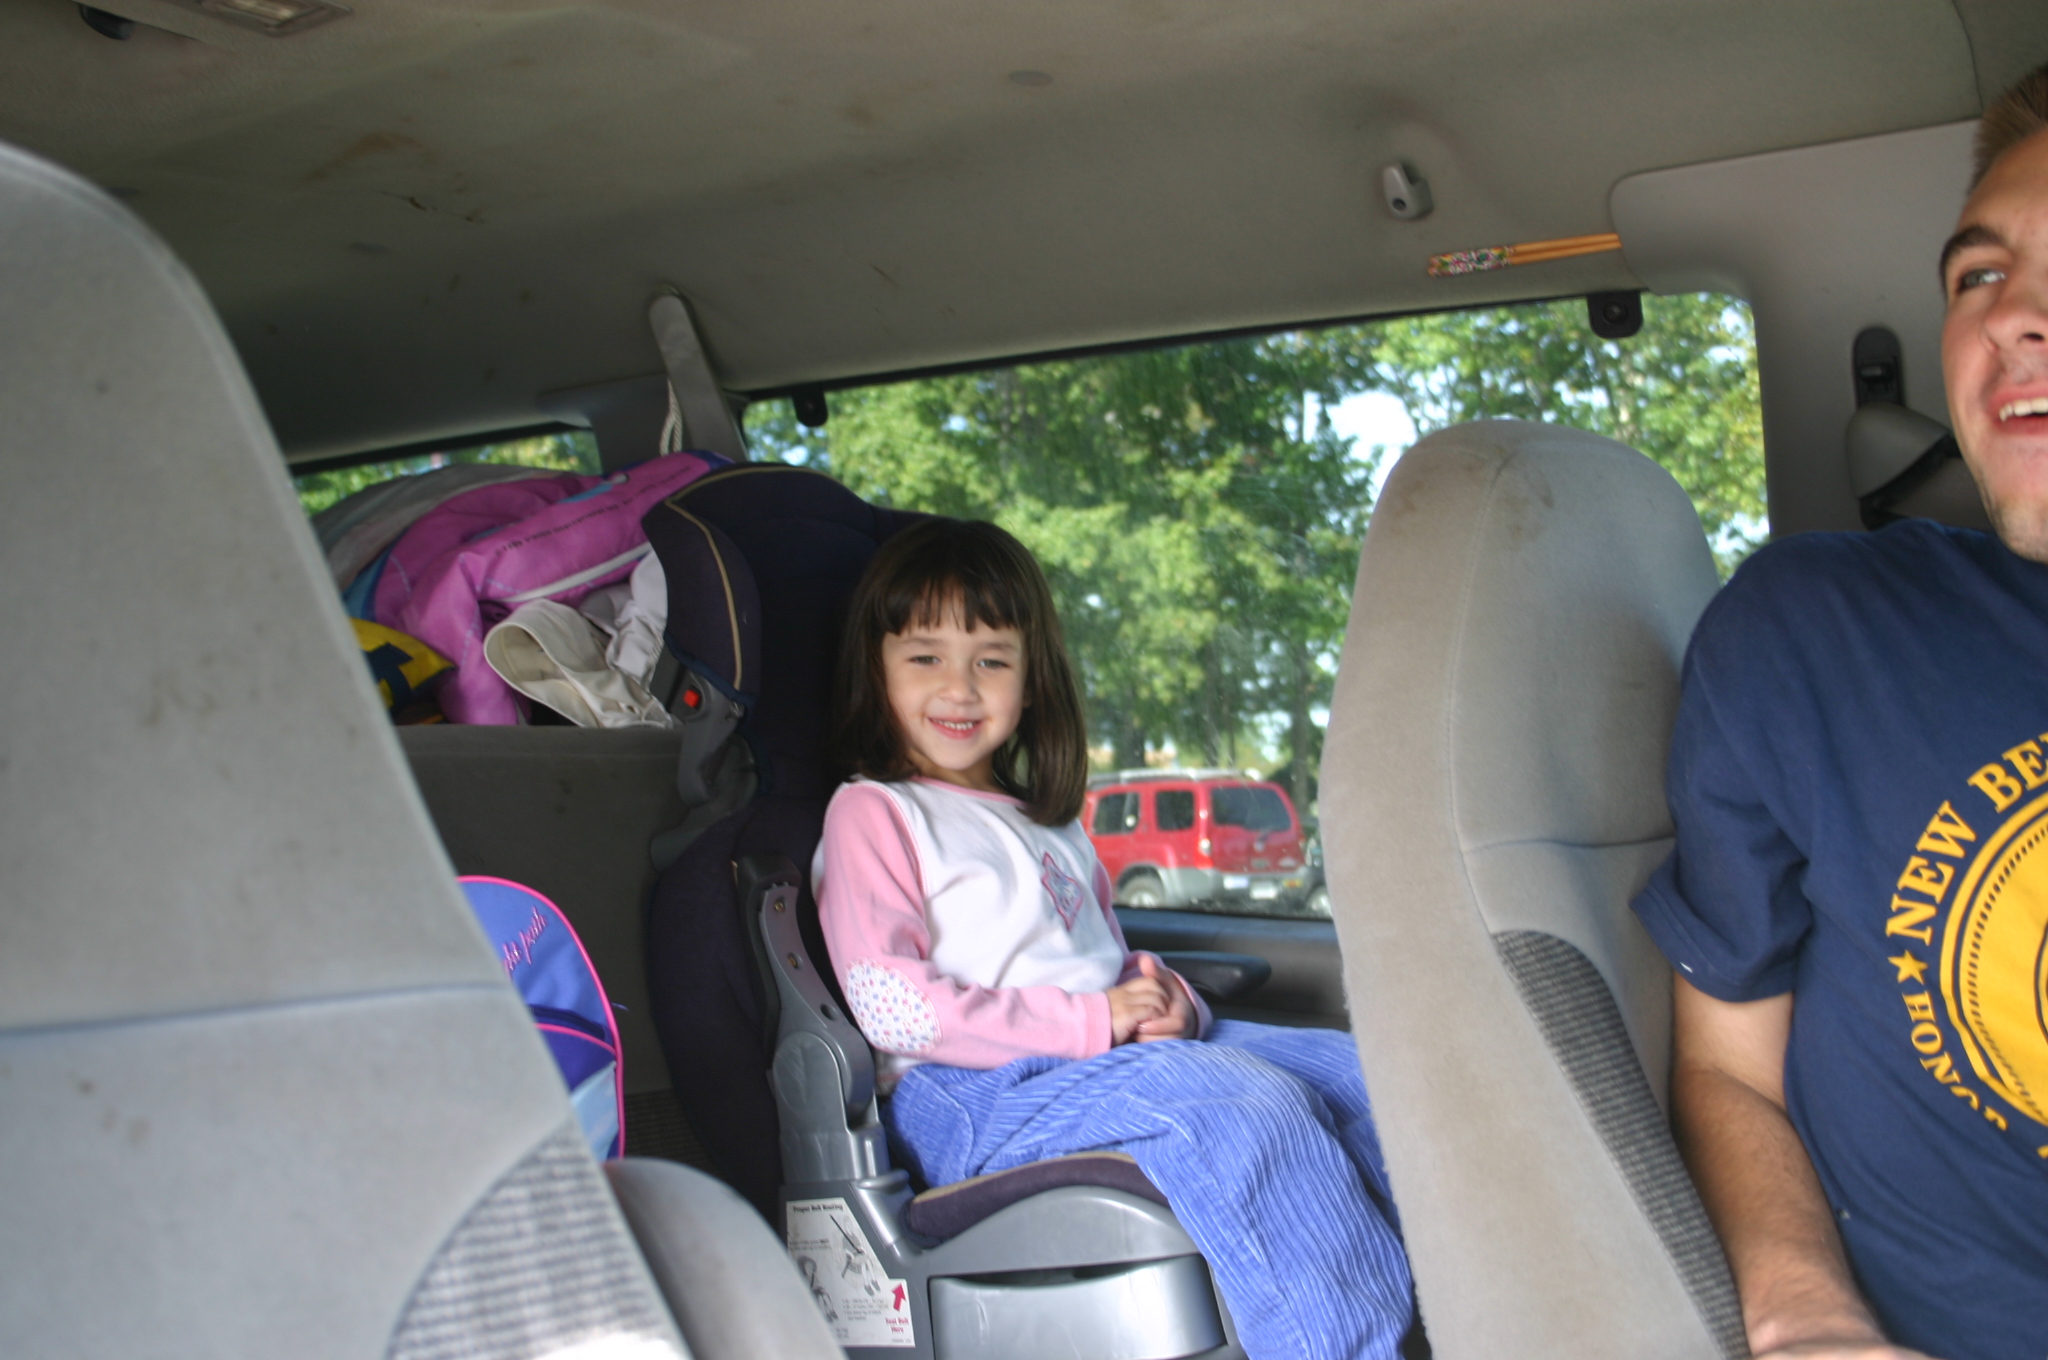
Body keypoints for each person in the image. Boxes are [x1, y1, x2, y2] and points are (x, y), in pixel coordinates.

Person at [1631, 64, 2048, 1360]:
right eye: (1978, 274)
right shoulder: (1819, 637)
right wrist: (1805, 1319)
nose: (2012, 316)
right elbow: (1725, 1064)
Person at [812, 516, 1412, 1360]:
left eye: (991, 661)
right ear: (876, 672)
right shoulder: (875, 812)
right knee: (1242, 1108)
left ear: (1031, 681)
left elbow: (1099, 958)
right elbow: (893, 1008)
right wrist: (1096, 1021)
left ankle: (1456, 1322)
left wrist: (1173, 1002)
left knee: (1370, 1078)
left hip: (1092, 1057)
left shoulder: (1050, 822)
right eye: (925, 658)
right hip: (969, 1088)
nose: (960, 688)